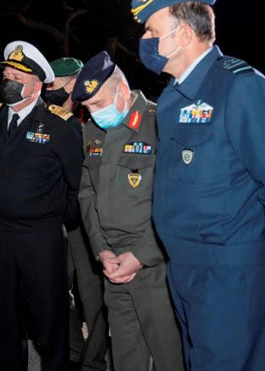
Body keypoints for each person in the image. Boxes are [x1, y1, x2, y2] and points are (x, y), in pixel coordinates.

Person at [132, 0, 265, 370]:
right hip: (185, 267)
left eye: (152, 31)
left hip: (231, 272)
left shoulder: (240, 86)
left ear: (185, 33)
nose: (145, 40)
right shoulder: (174, 96)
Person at [71, 51, 184, 371]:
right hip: (112, 264)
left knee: (168, 356)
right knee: (125, 355)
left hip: (155, 264)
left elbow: (177, 201)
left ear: (122, 91)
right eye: (87, 107)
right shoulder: (92, 131)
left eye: (98, 103)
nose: (93, 114)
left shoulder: (159, 123)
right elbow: (87, 192)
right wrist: (102, 250)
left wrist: (140, 254)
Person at [0, 40, 83, 371]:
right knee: (6, 316)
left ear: (37, 84)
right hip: (1, 234)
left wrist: (51, 219)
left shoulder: (59, 123)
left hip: (42, 236)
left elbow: (77, 185)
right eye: (6, 73)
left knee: (49, 317)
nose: (7, 80)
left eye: (16, 75)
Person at [47, 57, 108, 371]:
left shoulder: (97, 118)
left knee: (92, 292)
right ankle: (73, 350)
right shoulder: (47, 120)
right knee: (58, 290)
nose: (50, 89)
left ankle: (94, 360)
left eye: (55, 83)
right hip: (58, 220)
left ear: (74, 83)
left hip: (89, 223)